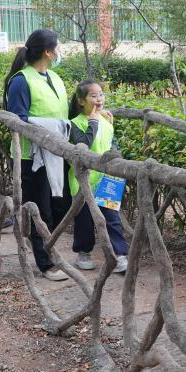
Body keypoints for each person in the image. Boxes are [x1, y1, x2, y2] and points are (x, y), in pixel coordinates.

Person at [2, 29, 70, 280]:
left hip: (56, 152)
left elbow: (62, 113)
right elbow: (18, 120)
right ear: (47, 52)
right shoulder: (21, 80)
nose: (60, 52)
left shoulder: (53, 77)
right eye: (58, 47)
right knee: (41, 209)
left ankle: (46, 249)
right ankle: (45, 263)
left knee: (59, 205)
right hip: (32, 157)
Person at [68, 79, 129, 275]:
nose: (99, 99)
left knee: (111, 217)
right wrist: (93, 121)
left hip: (108, 179)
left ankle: (119, 255)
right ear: (81, 101)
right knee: (84, 219)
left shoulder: (106, 119)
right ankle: (84, 253)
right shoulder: (75, 124)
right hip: (83, 181)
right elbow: (83, 146)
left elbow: (110, 145)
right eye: (93, 96)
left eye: (101, 94)